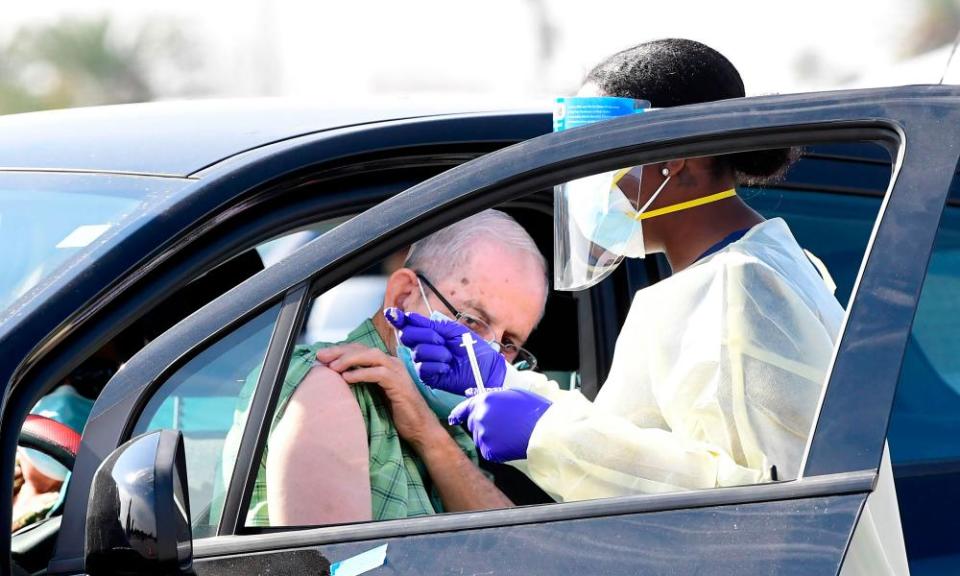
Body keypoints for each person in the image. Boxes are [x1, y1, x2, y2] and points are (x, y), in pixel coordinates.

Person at [390, 39, 845, 502]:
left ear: (671, 162)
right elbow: (646, 445)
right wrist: (505, 382)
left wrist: (545, 434)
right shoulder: (728, 274)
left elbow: (764, 502)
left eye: (601, 161)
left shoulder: (742, 286)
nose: (588, 185)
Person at [242, 209, 549, 525]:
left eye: (509, 343)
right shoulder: (330, 385)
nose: (490, 356)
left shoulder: (445, 420)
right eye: (471, 320)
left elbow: (513, 549)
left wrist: (428, 435)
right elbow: (328, 563)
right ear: (403, 298)